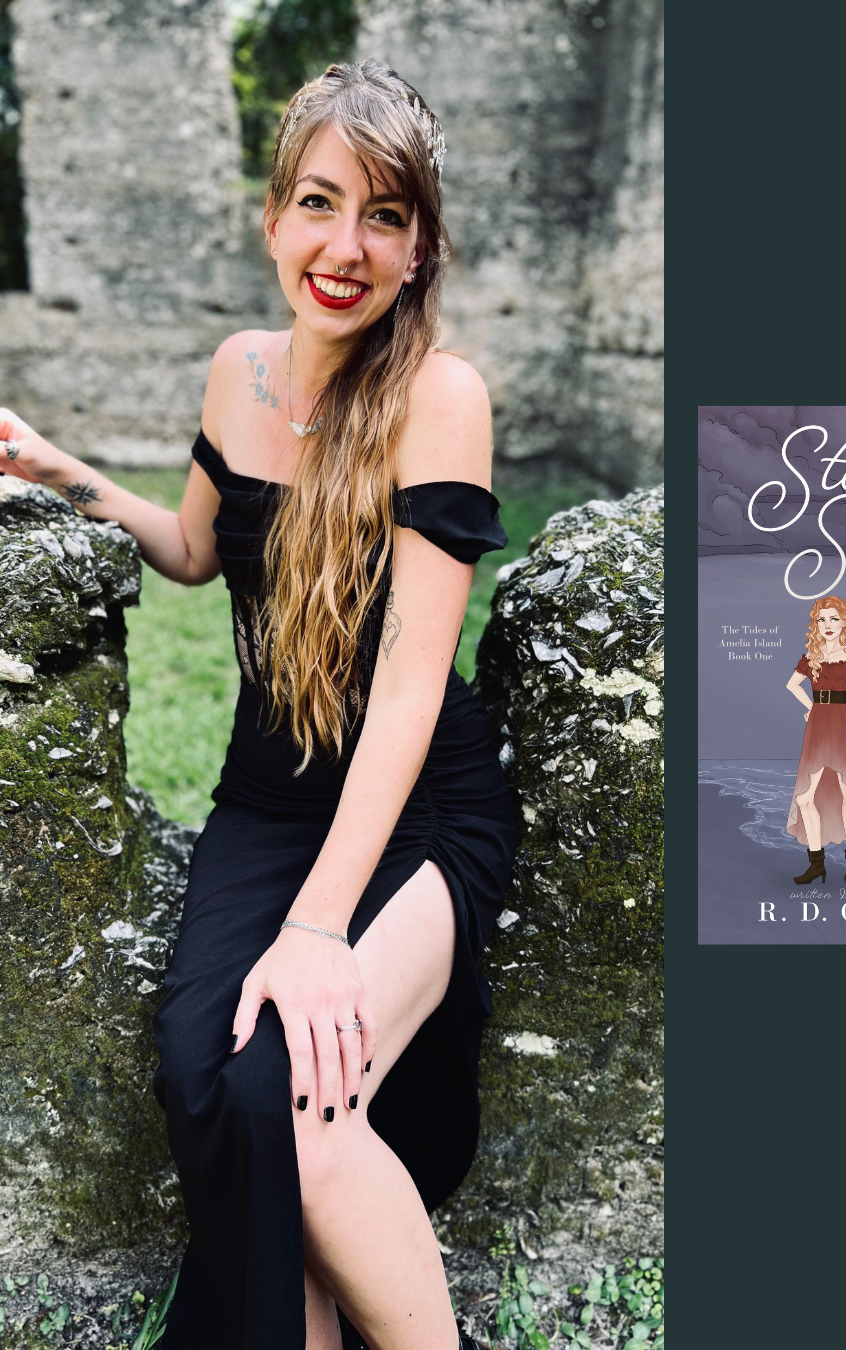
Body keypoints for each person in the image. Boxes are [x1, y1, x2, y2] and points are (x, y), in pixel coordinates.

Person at [0, 60, 515, 1350]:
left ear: (417, 248)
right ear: (272, 216)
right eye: (322, 203)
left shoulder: (438, 400)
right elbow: (193, 548)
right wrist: (68, 476)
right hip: (265, 796)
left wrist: (322, 930)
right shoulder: (238, 371)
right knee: (203, 1067)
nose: (345, 247)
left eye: (385, 215)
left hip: (415, 814)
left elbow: (407, 687)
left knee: (297, 1092)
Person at [785, 596, 846, 885]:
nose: (827, 625)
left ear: (845, 622)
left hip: (842, 723)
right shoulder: (811, 655)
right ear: (815, 624)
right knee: (804, 797)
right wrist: (810, 708)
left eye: (834, 618)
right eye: (821, 619)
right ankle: (817, 863)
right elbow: (792, 685)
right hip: (818, 723)